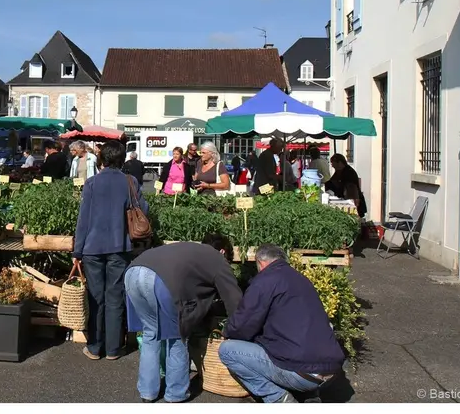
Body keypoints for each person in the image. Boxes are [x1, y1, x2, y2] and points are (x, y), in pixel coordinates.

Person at [218, 244, 345, 403]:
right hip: (332, 370)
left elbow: (242, 325)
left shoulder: (264, 281)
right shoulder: (301, 279)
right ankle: (308, 395)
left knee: (227, 350)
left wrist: (226, 331)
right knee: (293, 345)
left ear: (260, 262)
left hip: (302, 373)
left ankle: (279, 399)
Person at [125, 234, 243, 403]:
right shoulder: (217, 258)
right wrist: (238, 329)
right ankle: (176, 394)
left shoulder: (190, 250)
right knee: (177, 337)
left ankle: (147, 393)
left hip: (133, 271)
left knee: (151, 334)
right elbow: (234, 300)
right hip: (160, 280)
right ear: (223, 251)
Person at [73, 140, 147, 361]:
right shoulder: (130, 181)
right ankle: (114, 349)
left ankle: (95, 347)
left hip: (92, 247)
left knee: (96, 298)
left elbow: (83, 220)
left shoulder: (92, 183)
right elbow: (143, 209)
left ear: (102, 159)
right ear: (122, 160)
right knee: (115, 297)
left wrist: (77, 252)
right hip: (120, 246)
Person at [325, 153, 367, 218]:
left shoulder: (348, 172)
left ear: (339, 163)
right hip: (347, 201)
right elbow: (331, 182)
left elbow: (350, 189)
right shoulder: (339, 171)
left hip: (353, 202)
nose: (332, 166)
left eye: (333, 163)